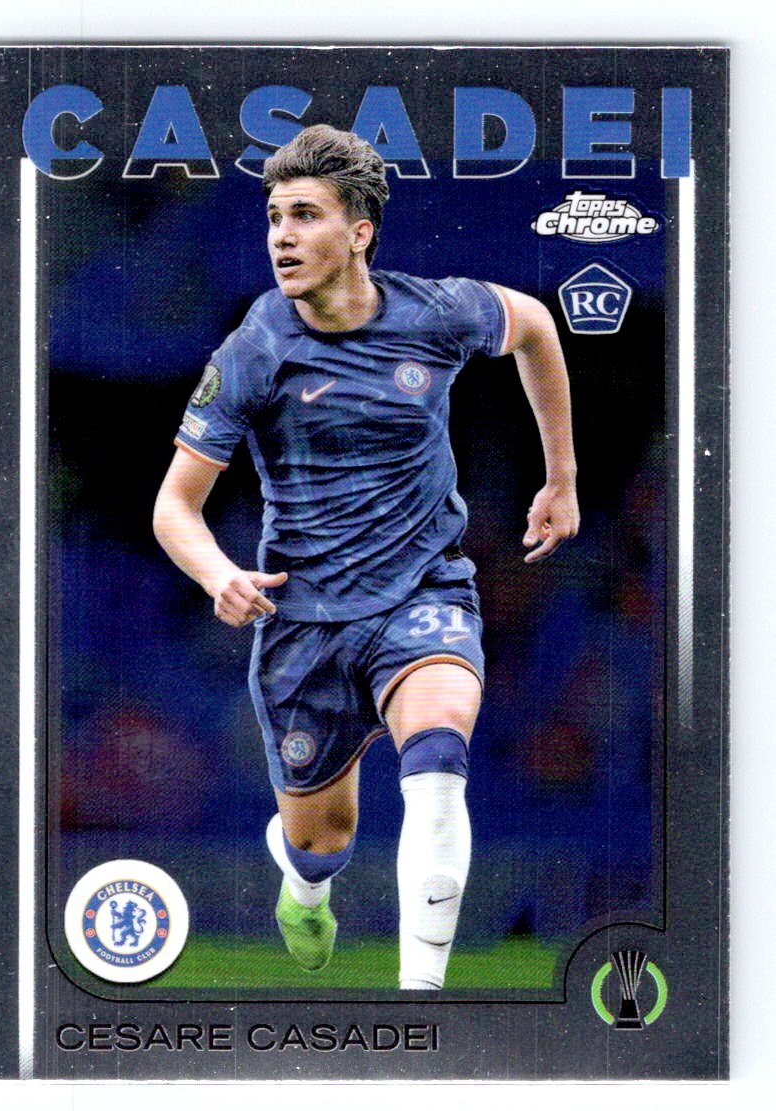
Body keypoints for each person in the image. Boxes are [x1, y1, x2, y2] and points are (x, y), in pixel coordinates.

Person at [153, 124, 579, 990]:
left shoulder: (437, 312)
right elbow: (175, 505)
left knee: (438, 768)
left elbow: (536, 325)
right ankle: (304, 881)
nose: (281, 235)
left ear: (359, 232)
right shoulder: (256, 349)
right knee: (323, 841)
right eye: (274, 216)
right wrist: (217, 573)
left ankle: (423, 1003)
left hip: (424, 593)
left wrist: (561, 477)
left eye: (304, 215)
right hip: (304, 623)